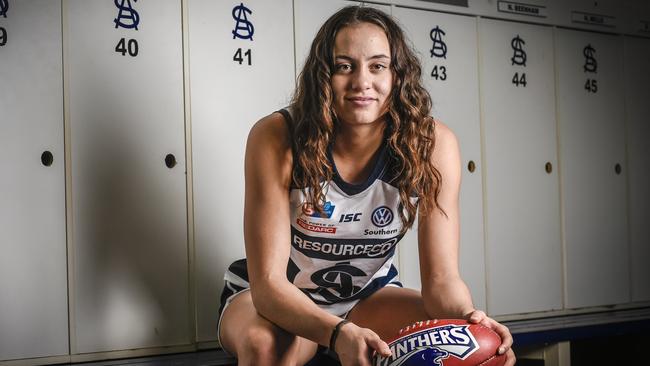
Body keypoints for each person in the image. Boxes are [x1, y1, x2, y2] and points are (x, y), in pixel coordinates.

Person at [218, 5, 515, 366]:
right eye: (345, 66)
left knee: (471, 344)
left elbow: (441, 279)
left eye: (377, 66)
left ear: (398, 75)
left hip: (368, 298)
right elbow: (268, 285)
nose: (362, 82)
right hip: (277, 298)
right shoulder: (278, 136)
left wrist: (472, 319)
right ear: (323, 76)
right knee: (265, 347)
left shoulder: (432, 145)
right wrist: (337, 333)